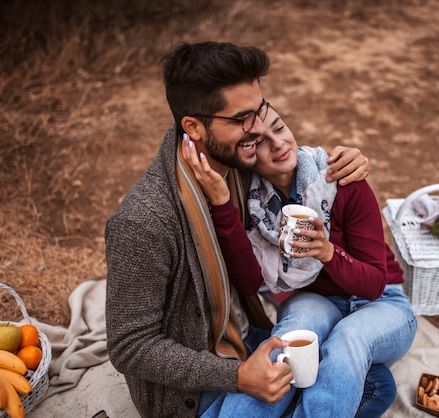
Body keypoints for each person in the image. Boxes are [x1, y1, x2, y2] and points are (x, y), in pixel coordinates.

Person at [105, 41, 371, 418]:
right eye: (242, 118)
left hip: (247, 336)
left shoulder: (242, 169)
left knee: (371, 382)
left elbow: (300, 166)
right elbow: (128, 346)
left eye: (259, 110)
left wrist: (348, 161)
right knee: (347, 389)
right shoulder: (143, 221)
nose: (258, 128)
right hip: (196, 386)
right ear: (193, 127)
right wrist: (238, 376)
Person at [184, 103, 417, 417]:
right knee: (289, 338)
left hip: (383, 301)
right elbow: (250, 283)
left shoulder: (341, 180)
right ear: (247, 154)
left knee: (347, 339)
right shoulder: (252, 206)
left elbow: (375, 283)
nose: (278, 143)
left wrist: (327, 252)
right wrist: (223, 204)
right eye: (261, 141)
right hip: (319, 299)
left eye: (279, 129)